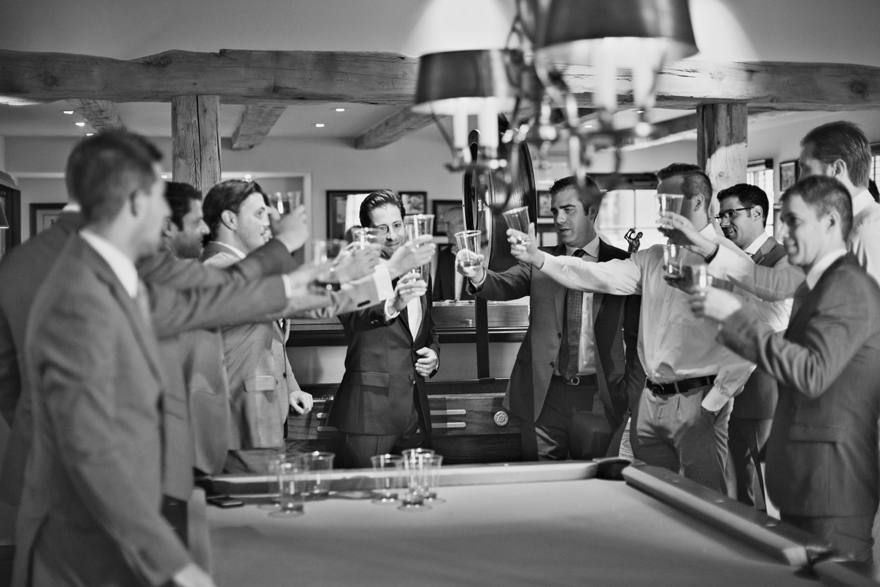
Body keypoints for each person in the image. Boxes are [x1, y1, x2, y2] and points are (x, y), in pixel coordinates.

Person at [13, 130, 217, 587]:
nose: (166, 212)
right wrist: (176, 563)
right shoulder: (79, 294)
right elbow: (91, 450)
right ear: (132, 203)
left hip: (111, 516)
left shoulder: (109, 273)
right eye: (156, 198)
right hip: (76, 541)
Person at [507, 164, 766, 494]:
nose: (661, 213)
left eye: (669, 202)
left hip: (697, 402)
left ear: (698, 203)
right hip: (651, 401)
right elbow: (598, 275)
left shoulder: (732, 262)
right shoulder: (654, 257)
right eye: (658, 204)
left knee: (707, 502)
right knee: (651, 497)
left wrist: (714, 401)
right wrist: (540, 258)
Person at [690, 175, 880, 562]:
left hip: (826, 467)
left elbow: (811, 367)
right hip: (794, 453)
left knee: (829, 565)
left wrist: (736, 320)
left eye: (795, 221)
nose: (786, 232)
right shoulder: (814, 277)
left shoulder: (847, 284)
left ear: (829, 223)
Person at [458, 175, 641, 460]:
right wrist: (479, 276)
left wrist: (631, 395)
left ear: (592, 212)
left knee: (594, 485)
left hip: (599, 397)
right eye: (555, 211)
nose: (559, 219)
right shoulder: (539, 260)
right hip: (543, 395)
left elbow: (636, 337)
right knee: (540, 484)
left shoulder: (621, 265)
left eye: (569, 210)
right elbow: (503, 283)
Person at [664, 121, 880, 296]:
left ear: (837, 169)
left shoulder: (869, 232)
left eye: (805, 168)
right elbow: (779, 286)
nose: (799, 179)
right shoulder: (833, 230)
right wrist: (707, 249)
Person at [200, 180, 315, 474]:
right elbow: (311, 302)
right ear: (230, 219)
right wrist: (286, 240)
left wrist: (290, 387)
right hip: (242, 426)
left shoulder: (248, 266)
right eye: (260, 214)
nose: (269, 224)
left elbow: (267, 334)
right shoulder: (218, 267)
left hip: (264, 416)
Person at [329, 190, 439, 468]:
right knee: (364, 503)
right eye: (382, 228)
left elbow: (428, 328)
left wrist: (434, 355)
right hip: (370, 413)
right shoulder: (352, 270)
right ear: (368, 232)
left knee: (415, 499)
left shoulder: (421, 266)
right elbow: (354, 318)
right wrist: (394, 303)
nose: (392, 235)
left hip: (415, 411)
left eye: (397, 225)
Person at [713, 183, 792, 507]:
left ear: (758, 213)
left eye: (731, 213)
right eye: (721, 215)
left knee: (772, 489)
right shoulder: (722, 257)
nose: (724, 221)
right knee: (734, 488)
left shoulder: (782, 260)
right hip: (721, 386)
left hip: (764, 389)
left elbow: (776, 320)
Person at [433, 205, 473, 302]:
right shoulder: (443, 255)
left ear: (463, 225)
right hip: (448, 316)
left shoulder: (480, 255)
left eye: (449, 225)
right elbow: (437, 296)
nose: (446, 230)